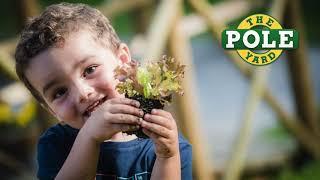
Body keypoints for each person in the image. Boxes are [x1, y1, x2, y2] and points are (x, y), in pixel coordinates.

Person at [14, 2, 192, 180]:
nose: (83, 93)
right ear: (50, 109)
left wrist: (167, 157)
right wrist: (89, 138)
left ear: (122, 59)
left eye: (90, 69)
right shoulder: (55, 145)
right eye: (59, 92)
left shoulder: (166, 144)